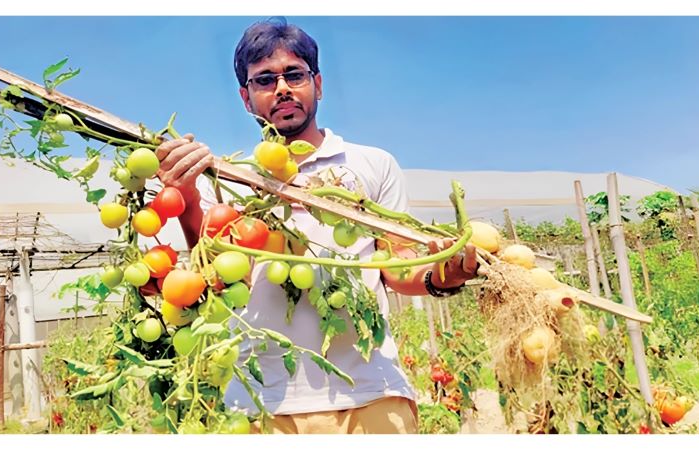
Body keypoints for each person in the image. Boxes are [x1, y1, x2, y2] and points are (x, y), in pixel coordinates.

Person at [154, 18, 480, 434]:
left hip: (372, 392)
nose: (282, 88)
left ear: (318, 84)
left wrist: (442, 277)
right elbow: (214, 277)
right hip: (260, 403)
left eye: (294, 74)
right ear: (246, 98)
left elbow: (398, 266)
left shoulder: (370, 164)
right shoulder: (229, 178)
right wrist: (186, 196)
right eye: (264, 80)